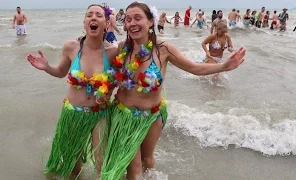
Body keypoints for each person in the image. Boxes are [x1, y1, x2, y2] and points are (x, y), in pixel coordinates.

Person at [100, 2, 246, 180]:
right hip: (124, 116)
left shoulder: (163, 49)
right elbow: (106, 71)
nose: (132, 23)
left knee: (147, 159)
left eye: (138, 18)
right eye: (128, 19)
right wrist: (104, 92)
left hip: (153, 116)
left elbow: (195, 68)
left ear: (151, 22)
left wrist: (223, 66)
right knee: (134, 168)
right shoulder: (122, 48)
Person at [27, 4, 117, 179]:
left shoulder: (113, 52)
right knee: (73, 168)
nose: (93, 17)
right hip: (73, 114)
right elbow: (61, 72)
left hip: (100, 114)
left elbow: (118, 79)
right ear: (84, 23)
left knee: (102, 163)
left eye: (98, 15)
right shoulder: (71, 47)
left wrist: (108, 92)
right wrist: (46, 67)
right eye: (89, 15)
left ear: (106, 24)